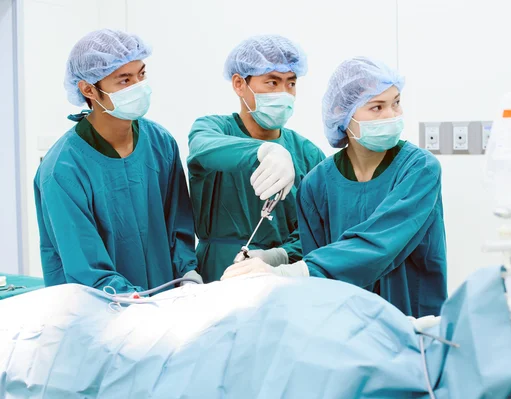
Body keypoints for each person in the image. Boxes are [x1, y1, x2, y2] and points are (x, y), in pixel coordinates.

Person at [222, 57, 447, 317]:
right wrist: (278, 258)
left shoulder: (419, 170)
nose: (391, 116)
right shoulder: (317, 183)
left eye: (396, 103)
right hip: (341, 321)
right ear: (344, 112)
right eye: (377, 107)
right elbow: (317, 255)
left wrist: (290, 272)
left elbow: (379, 244)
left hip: (409, 317)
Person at [34, 29, 202, 294]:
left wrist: (187, 272)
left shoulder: (160, 143)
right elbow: (85, 267)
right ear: (89, 89)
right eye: (124, 80)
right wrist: (132, 301)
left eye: (141, 74)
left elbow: (177, 223)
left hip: (167, 304)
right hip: (103, 314)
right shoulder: (62, 170)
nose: (139, 86)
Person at [187, 34, 325, 283]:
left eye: (291, 84)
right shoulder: (214, 129)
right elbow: (203, 147)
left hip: (280, 275)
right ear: (239, 84)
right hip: (217, 271)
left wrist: (278, 256)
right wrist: (263, 151)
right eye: (272, 83)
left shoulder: (308, 154)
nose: (284, 93)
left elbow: (318, 230)